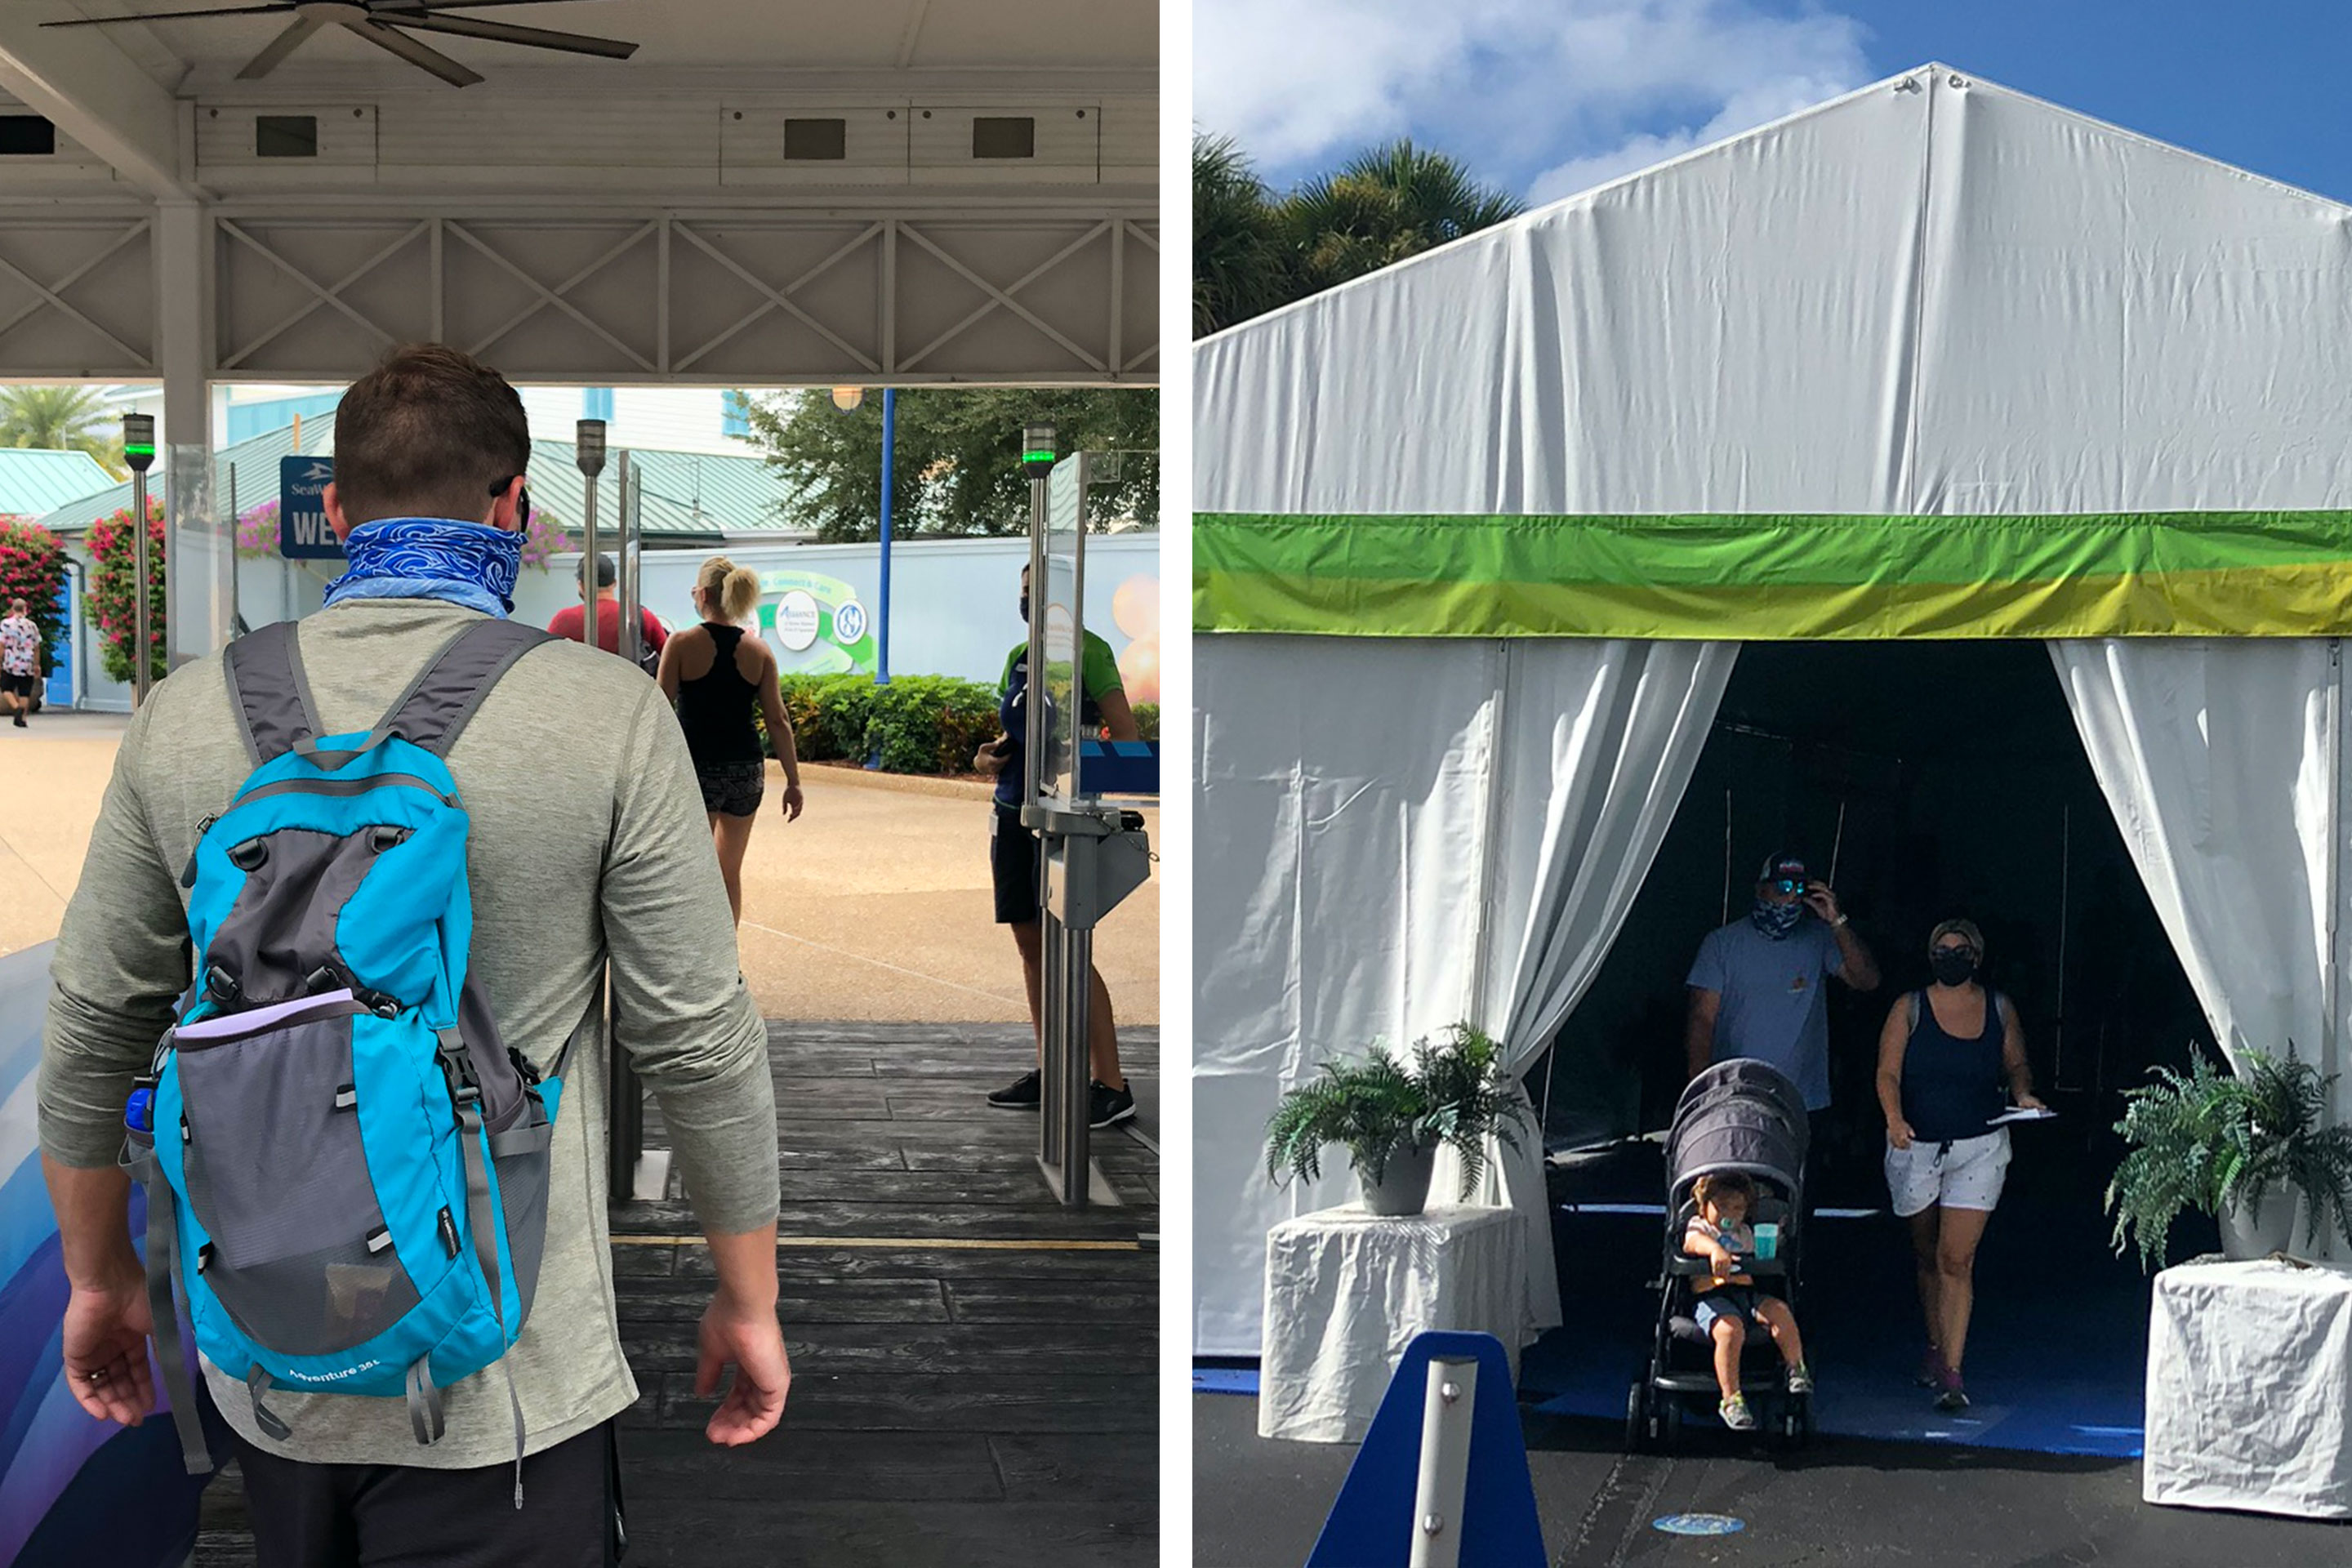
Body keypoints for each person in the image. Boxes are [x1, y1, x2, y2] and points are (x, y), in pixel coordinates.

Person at [38, 344, 788, 1566]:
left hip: (268, 1361)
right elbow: (697, 1039)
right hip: (511, 1382)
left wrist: (101, 1273)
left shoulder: (185, 717)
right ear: (515, 507)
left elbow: (95, 1020)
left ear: (334, 510)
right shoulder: (603, 715)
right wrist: (747, 1297)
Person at [976, 564, 1141, 1128]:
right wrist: (989, 756)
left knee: (1071, 945)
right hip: (1012, 810)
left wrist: (1075, 769)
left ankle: (1112, 1084)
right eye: (1023, 591)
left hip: (1062, 817)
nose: (1027, 599)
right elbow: (1012, 735)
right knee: (1030, 943)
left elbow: (1128, 738)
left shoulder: (1090, 654)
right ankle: (1052, 1071)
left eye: (1037, 591)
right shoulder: (1018, 658)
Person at [1876, 917, 2044, 1413]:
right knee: (1926, 1254)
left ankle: (1953, 1369)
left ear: (1977, 956)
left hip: (1981, 1143)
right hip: (1918, 1145)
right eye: (1943, 948)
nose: (1952, 956)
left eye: (1961, 949)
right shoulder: (1907, 1008)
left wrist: (2023, 1093)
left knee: (1957, 1260)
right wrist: (1894, 1119)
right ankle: (1935, 1345)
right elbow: (1887, 1071)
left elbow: (2016, 1062)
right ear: (1931, 956)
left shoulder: (1997, 1006)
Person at [1686, 851, 1882, 1197]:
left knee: (1797, 1199)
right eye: (1783, 887)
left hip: (1803, 1100)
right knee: (1736, 1198)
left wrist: (1837, 921)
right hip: (1737, 1096)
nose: (1791, 896)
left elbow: (1867, 980)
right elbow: (1702, 1020)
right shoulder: (1722, 944)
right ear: (1761, 889)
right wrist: (1701, 1092)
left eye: (1800, 888)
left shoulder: (1819, 938)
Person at [656, 555, 806, 925]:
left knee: (693, 873)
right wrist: (793, 781)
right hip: (745, 772)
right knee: (728, 873)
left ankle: (694, 961)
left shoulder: (681, 644)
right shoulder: (759, 652)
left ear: (703, 594)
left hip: (696, 772)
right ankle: (727, 965)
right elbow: (778, 720)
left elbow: (660, 709)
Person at [1683, 1171, 1812, 1430]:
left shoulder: (1746, 1234)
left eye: (1738, 1208)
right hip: (1712, 1297)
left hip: (1746, 1294)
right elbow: (1692, 1243)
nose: (1729, 1214)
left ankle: (1795, 1368)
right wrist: (1715, 1250)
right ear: (1705, 1206)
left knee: (1780, 1310)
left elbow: (1764, 1256)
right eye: (1721, 1207)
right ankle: (1731, 1399)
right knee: (1731, 1330)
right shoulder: (1701, 1227)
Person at [548, 551, 668, 670]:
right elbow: (669, 658)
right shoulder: (641, 617)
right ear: (614, 583)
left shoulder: (564, 620)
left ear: (581, 585)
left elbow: (544, 662)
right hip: (630, 688)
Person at [1, 595, 40, 728]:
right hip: (27, 662)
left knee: (6, 688)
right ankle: (22, 719)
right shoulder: (32, 625)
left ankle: (17, 708)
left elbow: (2, 645)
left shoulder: (5, 624)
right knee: (25, 692)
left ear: (12, 609)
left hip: (10, 662)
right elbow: (36, 647)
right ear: (25, 609)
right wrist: (36, 664)